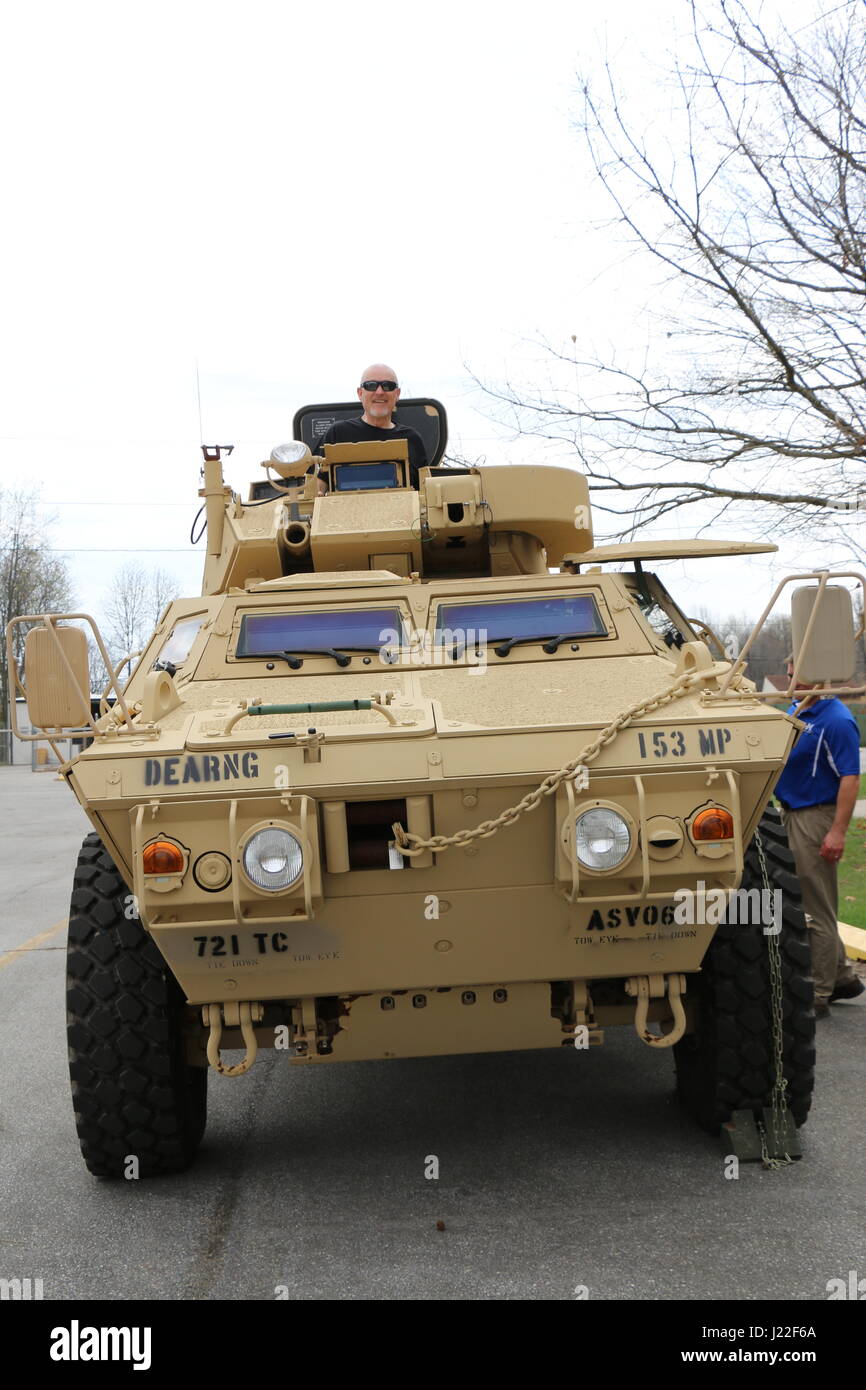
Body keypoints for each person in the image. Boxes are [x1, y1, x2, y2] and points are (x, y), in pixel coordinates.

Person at [774, 658, 864, 1017]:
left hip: (815, 818)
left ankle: (820, 993)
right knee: (809, 902)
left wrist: (837, 831)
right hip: (793, 813)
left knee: (815, 909)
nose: (790, 678)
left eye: (795, 673)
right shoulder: (799, 709)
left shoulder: (837, 721)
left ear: (814, 677)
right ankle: (842, 977)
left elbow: (850, 778)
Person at [315, 364, 428, 488]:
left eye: (387, 386)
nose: (379, 392)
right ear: (360, 393)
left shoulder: (412, 439)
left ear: (397, 394)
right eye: (371, 386)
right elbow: (317, 488)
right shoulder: (337, 434)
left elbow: (425, 491)